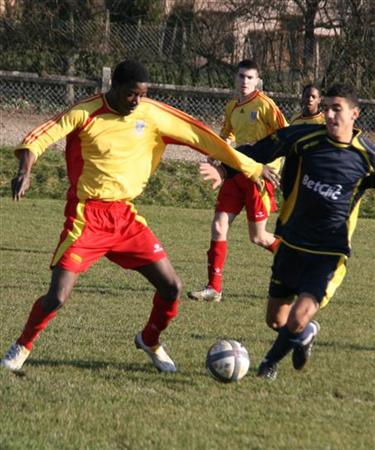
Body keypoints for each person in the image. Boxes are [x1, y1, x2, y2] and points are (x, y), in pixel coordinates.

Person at [0, 60, 275, 374]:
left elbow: (203, 137)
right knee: (58, 296)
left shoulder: (151, 113)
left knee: (171, 287)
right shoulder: (85, 112)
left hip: (126, 218)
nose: (138, 101)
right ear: (114, 88)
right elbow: (39, 138)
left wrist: (251, 167)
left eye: (143, 95)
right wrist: (25, 172)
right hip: (87, 217)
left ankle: (150, 339)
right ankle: (22, 346)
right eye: (132, 94)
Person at [199, 83, 375, 380]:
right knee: (276, 320)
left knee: (298, 315)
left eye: (337, 109)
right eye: (328, 108)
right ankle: (304, 334)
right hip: (291, 244)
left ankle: (268, 364)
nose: (330, 115)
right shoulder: (303, 137)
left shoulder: (367, 157)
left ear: (355, 114)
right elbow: (258, 151)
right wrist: (225, 170)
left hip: (329, 253)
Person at [188, 59, 288, 303]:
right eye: (241, 76)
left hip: (258, 178)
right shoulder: (232, 106)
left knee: (258, 237)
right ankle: (214, 288)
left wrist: (269, 167)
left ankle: (297, 259)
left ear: (257, 81)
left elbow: (285, 135)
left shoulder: (265, 105)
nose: (245, 81)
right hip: (235, 175)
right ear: (236, 78)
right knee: (219, 226)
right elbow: (227, 136)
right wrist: (217, 153)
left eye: (250, 77)